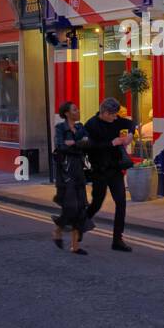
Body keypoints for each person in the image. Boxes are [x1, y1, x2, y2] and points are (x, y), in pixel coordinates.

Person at [83, 97, 135, 252]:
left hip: (115, 169)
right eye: (113, 115)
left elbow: (131, 123)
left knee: (121, 202)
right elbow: (88, 147)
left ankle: (117, 240)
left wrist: (130, 135)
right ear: (104, 112)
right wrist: (111, 143)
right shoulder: (91, 125)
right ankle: (80, 225)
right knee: (96, 204)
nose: (115, 118)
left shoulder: (117, 120)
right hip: (99, 170)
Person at [52, 101, 95, 255]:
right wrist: (78, 143)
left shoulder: (80, 127)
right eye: (75, 110)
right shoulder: (60, 128)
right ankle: (57, 231)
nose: (78, 111)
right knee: (71, 206)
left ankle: (75, 246)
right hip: (65, 171)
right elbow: (60, 146)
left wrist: (73, 143)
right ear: (67, 113)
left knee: (81, 207)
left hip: (79, 169)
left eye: (77, 109)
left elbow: (88, 143)